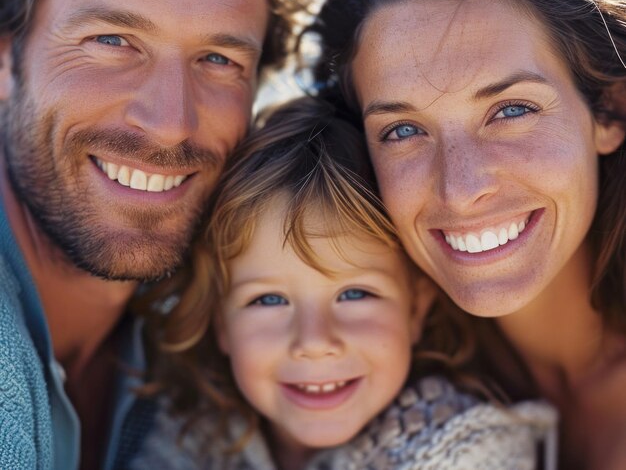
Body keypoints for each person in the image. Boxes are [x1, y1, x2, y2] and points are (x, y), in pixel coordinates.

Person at [0, 0, 319, 468]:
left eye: (219, 61)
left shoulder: (215, 346)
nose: (171, 123)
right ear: (6, 56)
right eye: (112, 40)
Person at [309, 0, 626, 470]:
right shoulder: (370, 394)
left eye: (510, 110)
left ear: (608, 110)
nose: (460, 187)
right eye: (403, 130)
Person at [131, 96, 556, 470]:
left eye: (355, 294)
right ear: (219, 319)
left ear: (416, 306)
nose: (314, 341)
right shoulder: (189, 430)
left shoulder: (465, 449)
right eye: (269, 300)